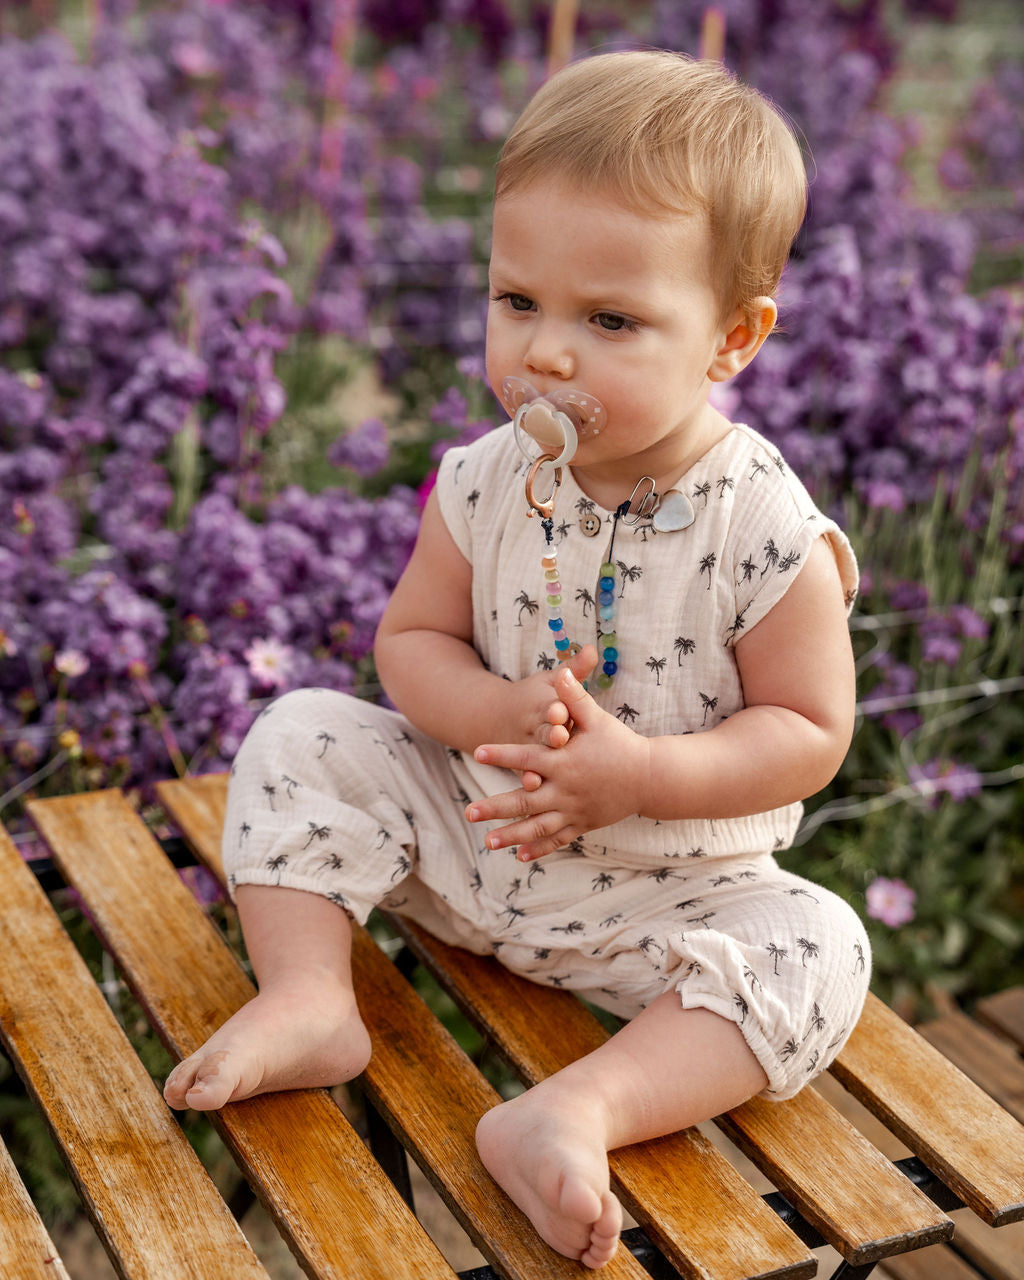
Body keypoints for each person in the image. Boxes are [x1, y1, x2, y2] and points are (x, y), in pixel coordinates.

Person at [164, 50, 871, 1270]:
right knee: (301, 728)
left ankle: (578, 1107)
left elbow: (809, 731)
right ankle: (309, 997)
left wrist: (641, 773)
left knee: (819, 947)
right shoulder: (486, 479)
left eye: (609, 320)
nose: (544, 353)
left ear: (731, 338)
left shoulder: (760, 525)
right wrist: (489, 706)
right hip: (470, 836)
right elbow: (410, 642)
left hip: (658, 900)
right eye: (516, 301)